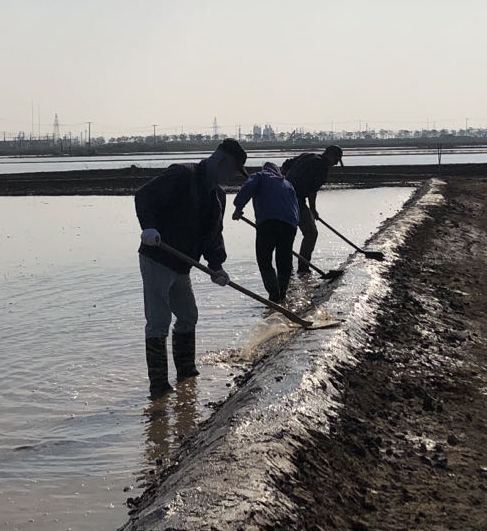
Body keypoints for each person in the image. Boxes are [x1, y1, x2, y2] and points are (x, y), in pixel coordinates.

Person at [134, 138, 247, 396]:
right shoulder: (182, 175)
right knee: (159, 321)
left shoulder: (217, 195)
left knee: (188, 315)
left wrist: (217, 265)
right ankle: (159, 386)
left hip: (183, 263)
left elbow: (213, 234)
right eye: (232, 170)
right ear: (221, 161)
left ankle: (186, 374)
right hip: (158, 256)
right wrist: (148, 227)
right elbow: (144, 196)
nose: (231, 177)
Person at [231, 162, 300, 303]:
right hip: (289, 226)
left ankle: (274, 296)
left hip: (268, 224)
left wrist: (238, 208)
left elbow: (247, 188)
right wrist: (293, 227)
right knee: (284, 261)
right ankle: (282, 295)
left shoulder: (259, 176)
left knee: (264, 260)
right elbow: (296, 207)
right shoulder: (287, 184)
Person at [281, 144, 343, 273]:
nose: (335, 163)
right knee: (311, 233)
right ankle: (303, 268)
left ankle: (286, 270)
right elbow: (312, 191)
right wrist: (313, 210)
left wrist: (285, 182)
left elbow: (286, 165)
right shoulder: (322, 167)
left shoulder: (307, 155)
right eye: (336, 160)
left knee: (287, 234)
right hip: (295, 200)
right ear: (329, 155)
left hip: (282, 196)